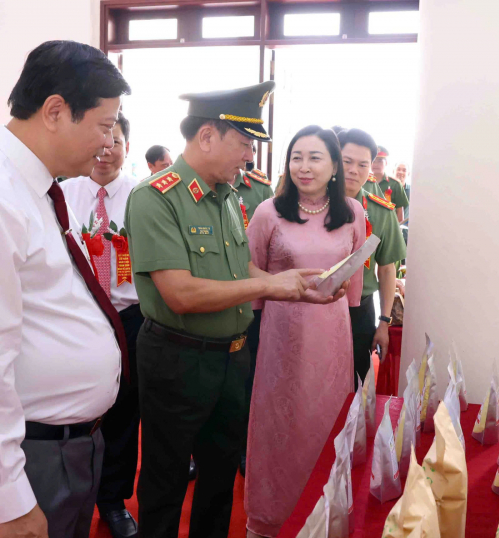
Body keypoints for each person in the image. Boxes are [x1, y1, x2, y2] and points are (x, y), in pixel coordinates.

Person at [0, 40, 132, 538]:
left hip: (65, 447)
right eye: (102, 125)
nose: (107, 143)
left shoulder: (36, 189)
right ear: (55, 111)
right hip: (22, 457)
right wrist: (7, 496)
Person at [125, 81, 346, 538]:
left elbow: (236, 265)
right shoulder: (156, 198)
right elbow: (180, 293)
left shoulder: (227, 194)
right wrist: (266, 286)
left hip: (233, 354)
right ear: (208, 137)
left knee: (221, 475)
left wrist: (288, 285)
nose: (249, 156)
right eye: (244, 144)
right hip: (178, 357)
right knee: (166, 480)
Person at [244, 125, 364, 538]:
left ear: (334, 166)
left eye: (315, 157)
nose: (304, 166)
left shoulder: (353, 212)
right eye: (296, 157)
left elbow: (354, 281)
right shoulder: (269, 212)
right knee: (280, 425)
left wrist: (349, 302)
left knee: (326, 423)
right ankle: (268, 520)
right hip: (283, 334)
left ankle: (323, 518)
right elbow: (248, 270)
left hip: (332, 334)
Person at [60, 111, 143, 538]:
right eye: (101, 140)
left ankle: (112, 499)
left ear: (128, 146)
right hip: (77, 314)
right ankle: (71, 489)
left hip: (129, 317)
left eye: (116, 141)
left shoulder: (143, 196)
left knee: (125, 411)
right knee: (77, 409)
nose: (106, 150)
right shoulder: (61, 192)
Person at [338, 128, 407, 385]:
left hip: (359, 312)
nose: (354, 170)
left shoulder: (380, 212)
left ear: (371, 169)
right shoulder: (309, 204)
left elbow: (387, 270)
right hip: (312, 308)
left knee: (356, 385)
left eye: (362, 164)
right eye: (347, 162)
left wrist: (384, 323)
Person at [230, 141, 274, 477]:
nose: (249, 155)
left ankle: (246, 447)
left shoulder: (259, 190)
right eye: (243, 144)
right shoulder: (172, 193)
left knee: (251, 380)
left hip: (255, 301)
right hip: (240, 303)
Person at [372, 145, 409, 223]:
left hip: (388, 228)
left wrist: (398, 231)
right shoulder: (364, 182)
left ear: (386, 163)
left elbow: (399, 211)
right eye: (373, 160)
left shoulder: (395, 184)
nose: (376, 164)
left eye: (380, 161)